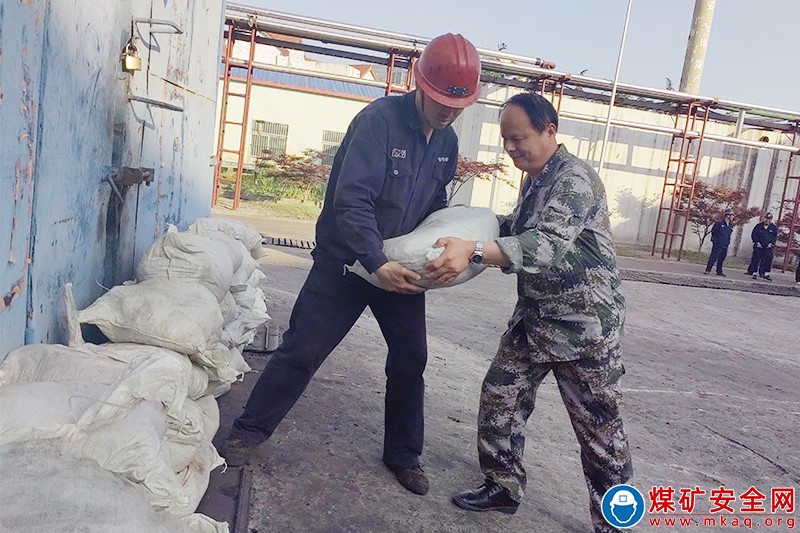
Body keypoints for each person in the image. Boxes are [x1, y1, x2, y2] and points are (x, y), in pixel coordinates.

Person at [221, 33, 482, 496]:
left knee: (411, 360)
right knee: (302, 350)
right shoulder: (377, 123)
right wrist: (376, 261)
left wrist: (437, 251)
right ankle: (247, 434)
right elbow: (351, 201)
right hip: (345, 265)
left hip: (400, 273)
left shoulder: (445, 143)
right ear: (418, 84)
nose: (448, 111)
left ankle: (403, 456)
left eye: (457, 105)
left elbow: (435, 204)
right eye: (442, 100)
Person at [425, 92, 633, 533]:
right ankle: (503, 485)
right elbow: (519, 229)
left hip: (583, 329)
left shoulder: (574, 179)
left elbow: (545, 246)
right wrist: (464, 225)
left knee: (600, 436)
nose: (511, 148)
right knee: (500, 397)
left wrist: (476, 250)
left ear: (550, 131)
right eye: (505, 140)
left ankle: (616, 523)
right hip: (536, 319)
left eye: (518, 138)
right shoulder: (537, 179)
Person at [746, 212, 777, 281]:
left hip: (768, 247)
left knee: (767, 259)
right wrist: (756, 242)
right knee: (756, 259)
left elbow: (775, 237)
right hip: (759, 246)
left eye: (769, 219)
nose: (767, 220)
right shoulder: (758, 226)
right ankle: (754, 272)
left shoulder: (773, 227)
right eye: (766, 218)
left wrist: (771, 243)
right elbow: (754, 234)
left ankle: (765, 273)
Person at [704, 209, 734, 276]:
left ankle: (719, 271)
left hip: (725, 244)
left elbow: (729, 234)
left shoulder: (730, 225)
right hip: (718, 244)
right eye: (732, 215)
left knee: (722, 258)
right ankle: (708, 269)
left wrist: (728, 242)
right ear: (728, 216)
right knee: (714, 256)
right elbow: (714, 232)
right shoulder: (719, 223)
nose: (733, 217)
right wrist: (715, 241)